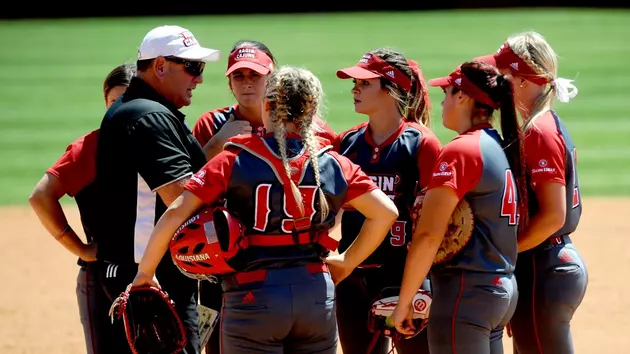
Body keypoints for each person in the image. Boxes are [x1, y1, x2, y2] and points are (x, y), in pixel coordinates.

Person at [131, 65, 399, 354]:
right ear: (311, 110)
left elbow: (175, 213)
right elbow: (386, 212)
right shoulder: (333, 163)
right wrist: (346, 261)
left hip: (252, 296)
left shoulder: (233, 159)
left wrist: (144, 274)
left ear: (267, 104)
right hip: (316, 294)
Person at [93, 25, 220, 354]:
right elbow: (182, 199)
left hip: (137, 271)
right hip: (152, 277)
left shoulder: (131, 107)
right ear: (160, 66)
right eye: (192, 67)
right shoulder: (149, 116)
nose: (199, 78)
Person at [391, 61, 529, 354]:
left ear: (463, 96)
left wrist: (404, 303)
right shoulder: (496, 144)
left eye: (447, 93)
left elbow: (428, 236)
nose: (442, 101)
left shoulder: (460, 151)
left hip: (465, 294)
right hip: (498, 289)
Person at [476, 31, 588, 354]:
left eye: (503, 76)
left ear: (523, 81)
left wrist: (506, 256)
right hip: (547, 263)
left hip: (545, 267)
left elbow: (554, 215)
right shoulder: (540, 123)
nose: (495, 82)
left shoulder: (539, 131)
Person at [332, 48, 441, 354]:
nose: (355, 89)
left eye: (365, 83)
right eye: (355, 83)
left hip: (407, 277)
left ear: (391, 89)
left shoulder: (421, 143)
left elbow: (436, 220)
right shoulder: (347, 143)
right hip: (354, 276)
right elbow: (333, 211)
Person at [28, 63, 135, 354]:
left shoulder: (162, 144)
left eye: (129, 101)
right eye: (114, 102)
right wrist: (80, 248)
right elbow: (41, 197)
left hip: (153, 270)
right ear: (105, 103)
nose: (120, 110)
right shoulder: (88, 148)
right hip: (100, 274)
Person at [192, 39, 336, 162]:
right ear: (230, 83)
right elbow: (187, 181)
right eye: (238, 75)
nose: (247, 82)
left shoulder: (306, 125)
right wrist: (217, 144)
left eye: (255, 74)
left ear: (272, 80)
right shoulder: (211, 124)